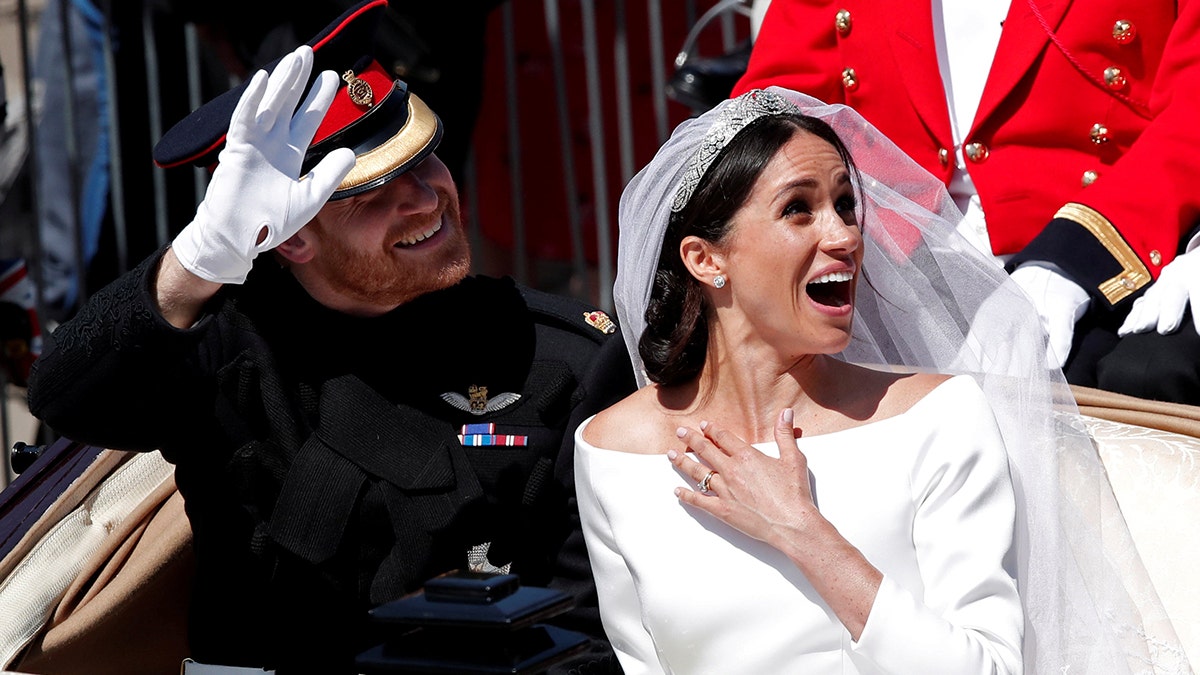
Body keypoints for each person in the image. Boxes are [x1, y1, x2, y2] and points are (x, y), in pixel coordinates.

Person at [26, 1, 634, 672]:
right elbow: (63, 399)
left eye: (425, 159)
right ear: (292, 235)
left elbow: (591, 619)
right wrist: (198, 260)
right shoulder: (227, 346)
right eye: (374, 191)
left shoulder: (560, 352)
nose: (427, 198)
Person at [574, 88, 1188, 673]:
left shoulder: (937, 417)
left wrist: (806, 534)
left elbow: (989, 669)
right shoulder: (611, 450)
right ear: (706, 260)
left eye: (845, 204)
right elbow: (642, 663)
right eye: (798, 209)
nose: (844, 236)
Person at [732, 0, 1200, 404]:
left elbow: (1191, 109)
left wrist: (1072, 261)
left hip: (1095, 248)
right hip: (883, 251)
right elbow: (783, 105)